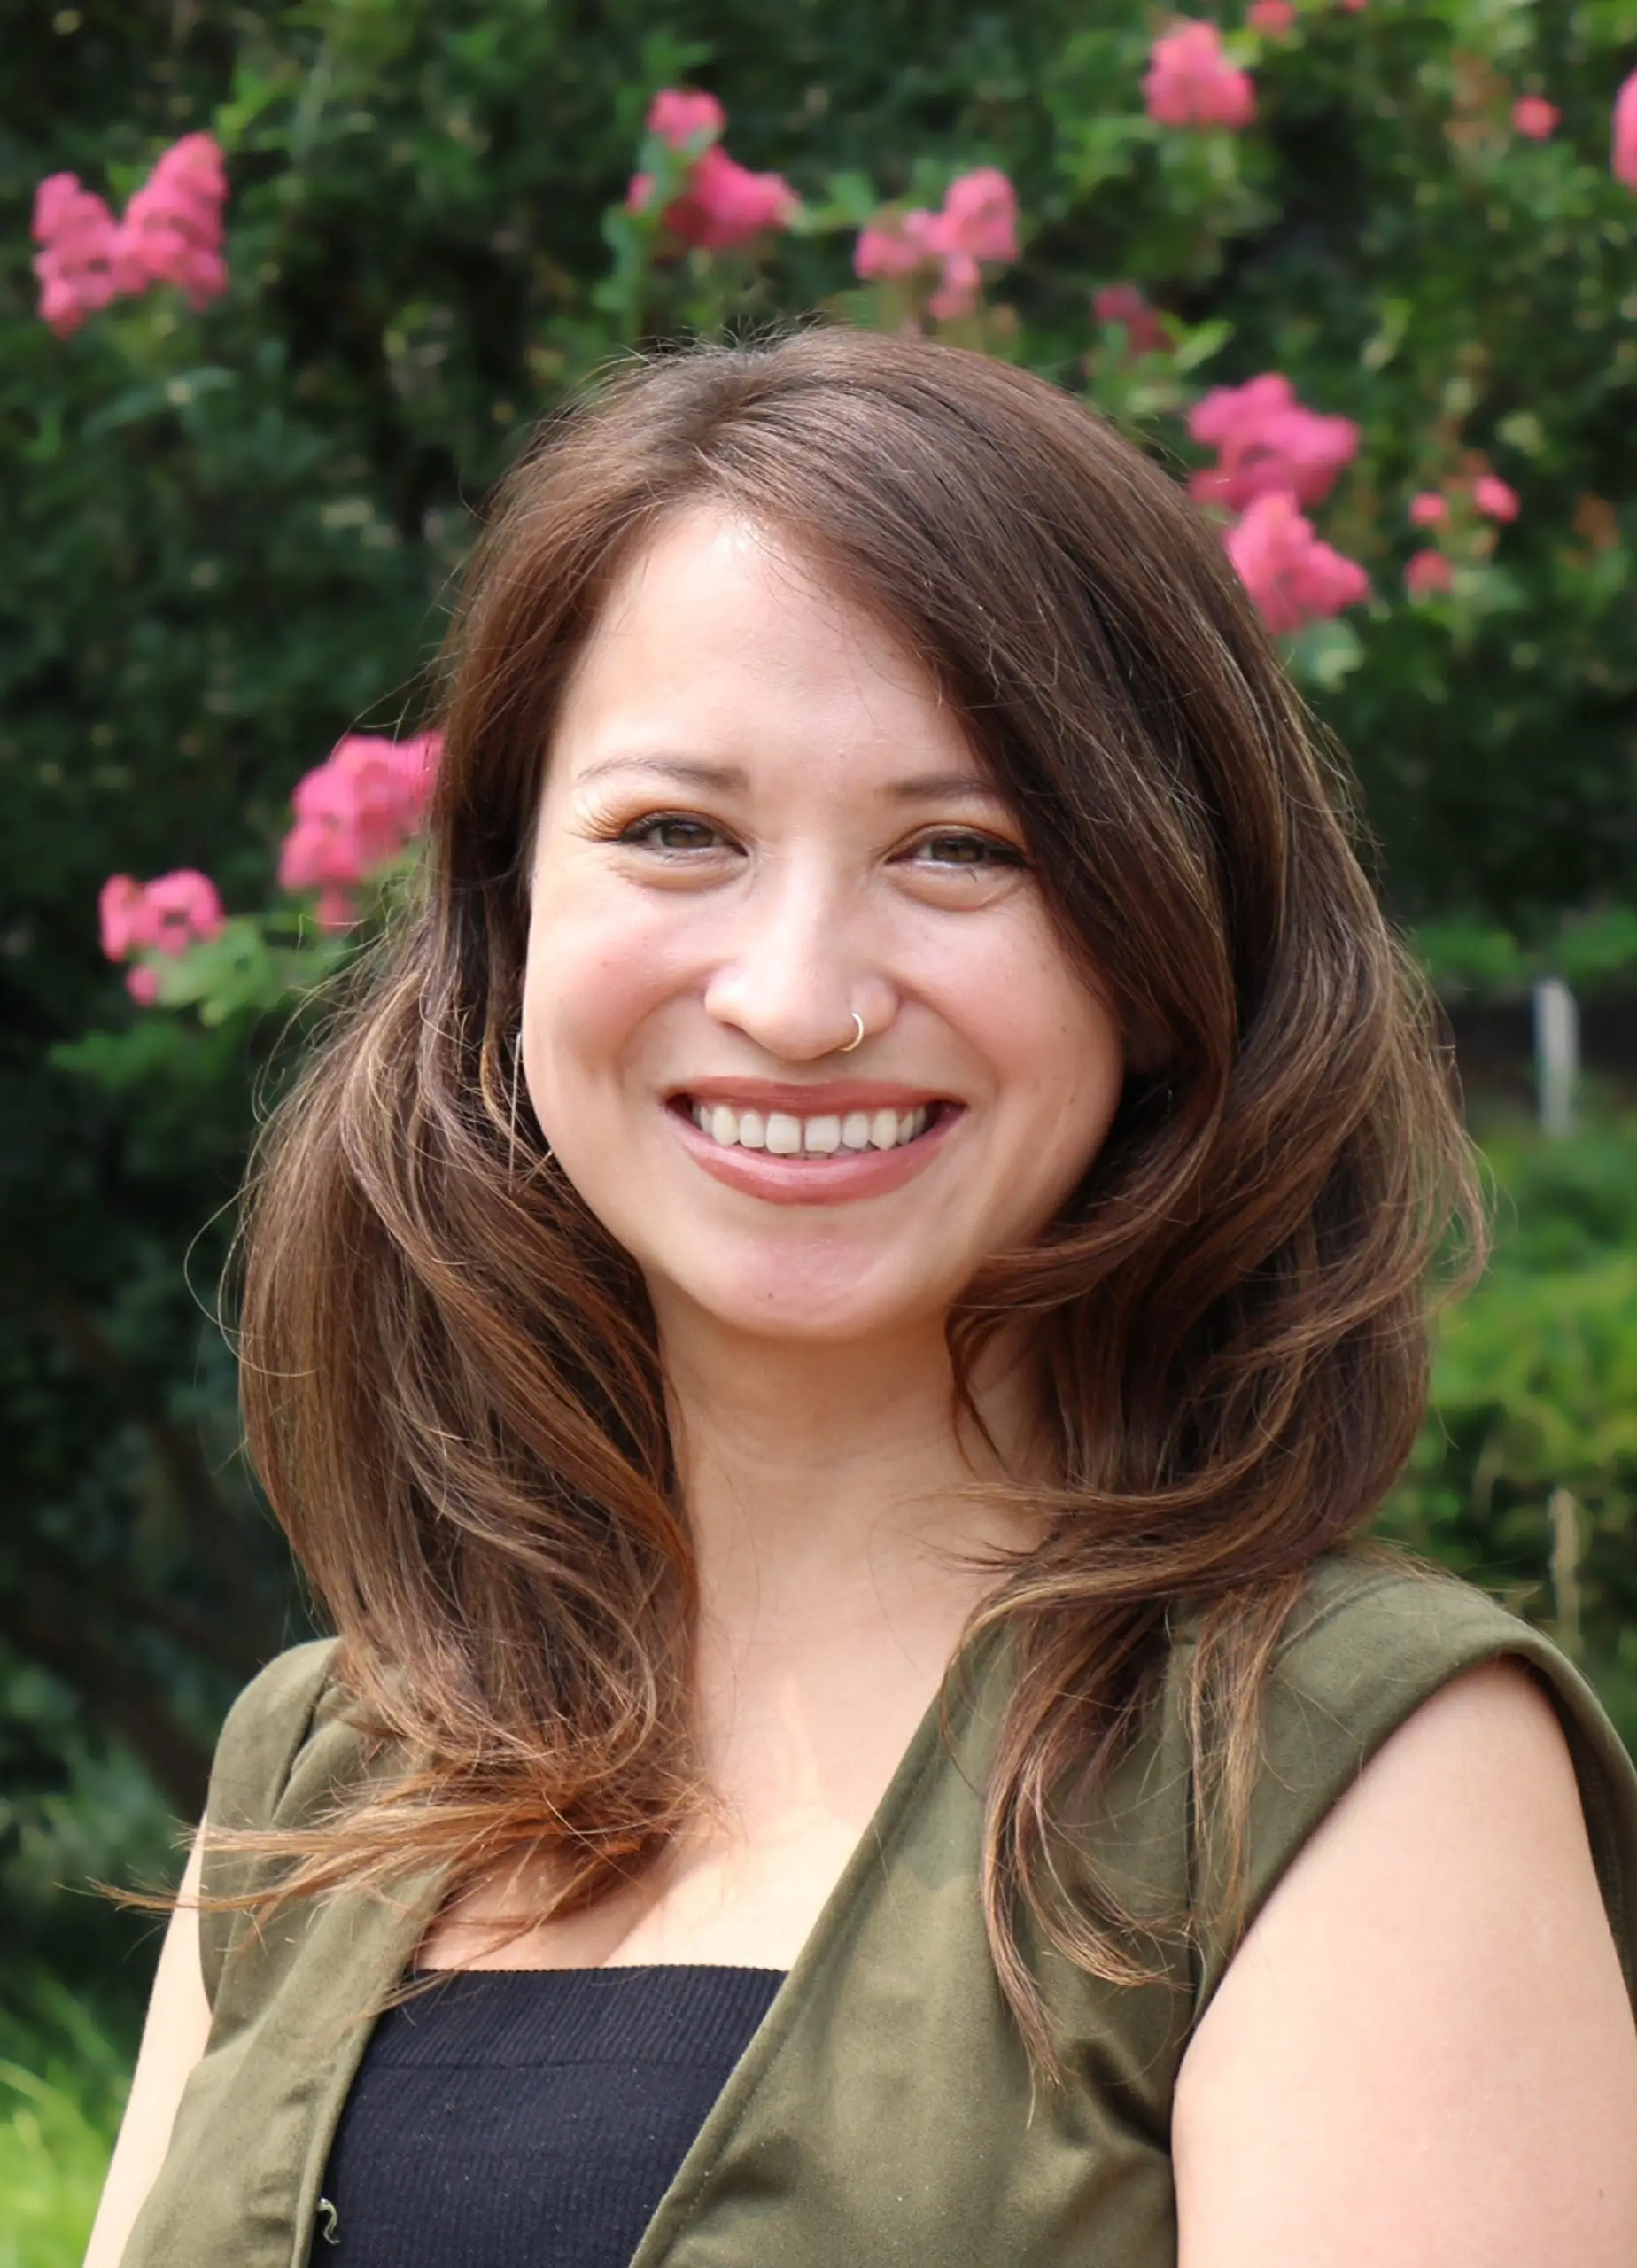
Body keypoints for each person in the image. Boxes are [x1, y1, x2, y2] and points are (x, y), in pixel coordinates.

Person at [89, 329, 1637, 2268]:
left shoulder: (1342, 1779)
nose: (798, 995)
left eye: (958, 848)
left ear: (1164, 961)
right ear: (502, 922)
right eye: (678, 834)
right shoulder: (325, 1766)